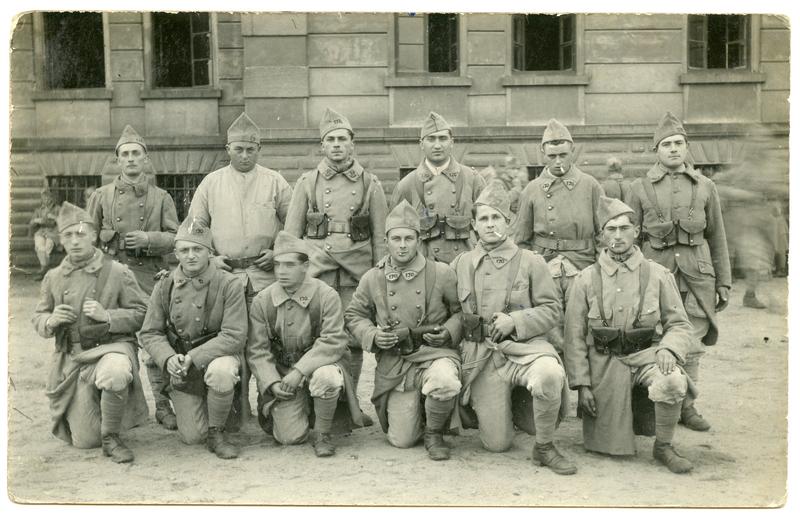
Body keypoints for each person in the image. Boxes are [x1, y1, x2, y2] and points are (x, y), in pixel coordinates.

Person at [451, 182, 576, 475]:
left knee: (548, 373)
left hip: (524, 350)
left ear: (509, 222)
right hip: (481, 358)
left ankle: (544, 447)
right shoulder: (461, 263)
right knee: (497, 443)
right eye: (483, 218)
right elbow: (451, 312)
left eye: (497, 217)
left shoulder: (531, 262)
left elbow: (551, 310)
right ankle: (497, 409)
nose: (490, 224)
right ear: (474, 225)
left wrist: (515, 321)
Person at [563, 197, 696, 473]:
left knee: (672, 381)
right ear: (601, 236)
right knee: (608, 447)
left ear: (636, 232)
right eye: (610, 229)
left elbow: (680, 324)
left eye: (624, 228)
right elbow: (574, 337)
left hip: (646, 356)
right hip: (604, 365)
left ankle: (664, 446)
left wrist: (668, 349)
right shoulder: (586, 278)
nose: (618, 235)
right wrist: (581, 385)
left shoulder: (658, 274)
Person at [187, 112, 294, 424]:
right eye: (238, 149)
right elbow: (195, 228)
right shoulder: (211, 183)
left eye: (250, 149)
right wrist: (210, 258)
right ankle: (234, 410)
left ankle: (268, 405)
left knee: (266, 342)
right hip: (225, 276)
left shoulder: (275, 181)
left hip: (265, 277)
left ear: (259, 149)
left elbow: (294, 227)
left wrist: (277, 252)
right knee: (232, 340)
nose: (244, 155)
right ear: (227, 149)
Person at [627, 112, 731, 432]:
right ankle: (657, 400)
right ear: (656, 150)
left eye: (679, 144)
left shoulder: (705, 186)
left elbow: (717, 235)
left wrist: (723, 280)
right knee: (656, 335)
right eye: (667, 144)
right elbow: (628, 236)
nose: (673, 149)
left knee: (693, 340)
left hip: (697, 274)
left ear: (687, 148)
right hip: (655, 273)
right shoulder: (639, 187)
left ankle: (688, 406)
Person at [284, 108, 388, 422]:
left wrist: (378, 277)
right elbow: (291, 236)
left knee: (353, 339)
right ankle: (318, 405)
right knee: (315, 336)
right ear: (322, 146)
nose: (337, 145)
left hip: (355, 273)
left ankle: (351, 407)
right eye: (331, 139)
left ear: (352, 144)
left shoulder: (371, 183)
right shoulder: (307, 182)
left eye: (343, 139)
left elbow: (381, 236)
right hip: (318, 271)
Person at [345, 200, 463, 460]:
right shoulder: (373, 277)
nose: (402, 245)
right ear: (386, 240)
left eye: (408, 238)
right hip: (395, 361)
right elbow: (354, 314)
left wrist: (448, 332)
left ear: (418, 240)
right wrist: (373, 335)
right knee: (402, 440)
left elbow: (460, 312)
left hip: (433, 353)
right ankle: (421, 408)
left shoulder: (441, 273)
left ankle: (434, 432)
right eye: (395, 238)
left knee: (444, 381)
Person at [32, 202, 149, 463]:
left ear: (94, 235)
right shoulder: (53, 277)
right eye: (68, 235)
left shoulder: (117, 272)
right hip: (73, 359)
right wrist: (50, 320)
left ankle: (112, 438)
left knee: (115, 371)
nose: (75, 241)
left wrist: (108, 316)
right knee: (86, 441)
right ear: (60, 240)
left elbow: (143, 313)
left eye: (81, 234)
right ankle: (99, 420)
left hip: (111, 348)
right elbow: (37, 316)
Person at [87, 125, 181, 430]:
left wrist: (148, 239)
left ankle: (163, 406)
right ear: (117, 160)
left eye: (136, 154)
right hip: (112, 277)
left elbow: (176, 238)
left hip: (149, 276)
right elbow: (86, 237)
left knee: (155, 343)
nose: (130, 159)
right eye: (124, 154)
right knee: (114, 340)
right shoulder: (101, 196)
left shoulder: (161, 196)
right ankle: (117, 408)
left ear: (145, 159)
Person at [247, 231, 364, 457]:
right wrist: (271, 383)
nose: (281, 272)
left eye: (289, 265)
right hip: (282, 372)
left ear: (305, 266)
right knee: (289, 438)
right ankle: (305, 407)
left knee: (326, 377)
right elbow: (257, 350)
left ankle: (322, 433)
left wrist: (300, 371)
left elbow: (333, 340)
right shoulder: (263, 300)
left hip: (319, 365)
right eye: (277, 265)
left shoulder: (325, 295)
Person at [139, 220, 247, 459]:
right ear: (176, 253)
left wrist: (194, 357)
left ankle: (217, 432)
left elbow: (234, 335)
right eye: (184, 250)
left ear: (210, 252)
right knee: (192, 437)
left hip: (216, 357)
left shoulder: (228, 284)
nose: (191, 256)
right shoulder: (165, 285)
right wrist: (168, 358)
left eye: (197, 249)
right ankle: (206, 413)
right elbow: (150, 332)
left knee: (222, 372)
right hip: (182, 367)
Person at [513, 119, 605, 351]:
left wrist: (602, 270)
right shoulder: (532, 189)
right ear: (542, 153)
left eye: (563, 155)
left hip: (583, 266)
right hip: (546, 268)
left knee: (582, 330)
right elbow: (521, 240)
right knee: (550, 330)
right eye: (552, 156)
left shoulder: (590, 185)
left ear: (572, 151)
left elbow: (604, 233)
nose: (558, 161)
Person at [390, 111, 486, 264]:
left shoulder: (472, 179)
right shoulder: (407, 184)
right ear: (421, 144)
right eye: (431, 139)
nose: (437, 145)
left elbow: (487, 227)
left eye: (443, 139)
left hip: (466, 262)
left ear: (452, 142)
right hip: (424, 264)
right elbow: (394, 232)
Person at [29, 188, 61, 280]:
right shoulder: (39, 210)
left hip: (53, 234)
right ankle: (45, 270)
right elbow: (31, 224)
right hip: (41, 233)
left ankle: (43, 271)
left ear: (52, 198)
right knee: (40, 247)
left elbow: (63, 221)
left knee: (48, 247)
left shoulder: (58, 208)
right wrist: (36, 220)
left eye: (48, 197)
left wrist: (54, 217)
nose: (46, 199)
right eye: (43, 197)